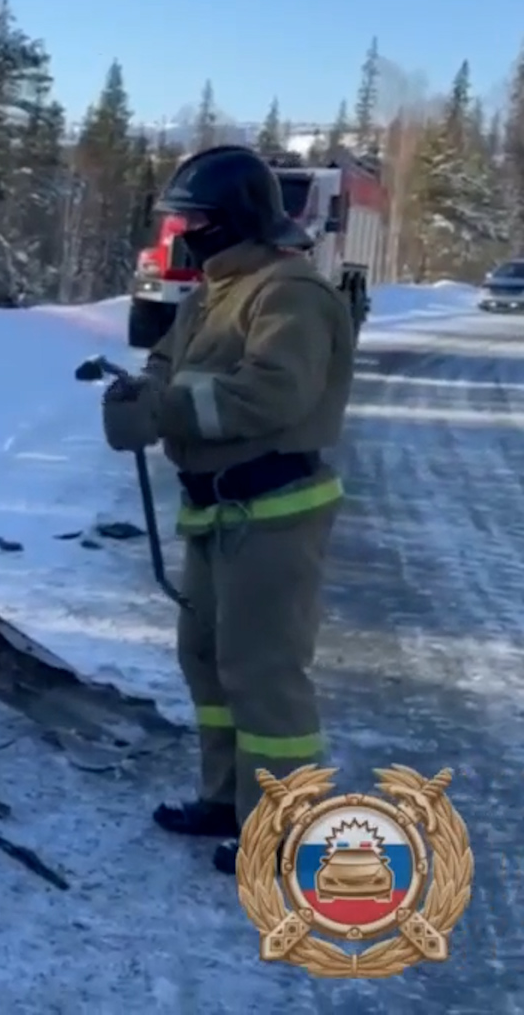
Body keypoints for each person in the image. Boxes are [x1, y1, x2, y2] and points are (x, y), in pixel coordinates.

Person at [99, 146, 355, 876]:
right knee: (207, 661)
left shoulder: (289, 293)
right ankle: (226, 797)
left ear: (237, 220)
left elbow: (275, 392)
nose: (184, 232)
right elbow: (166, 365)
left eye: (196, 219)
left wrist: (166, 409)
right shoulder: (215, 291)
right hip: (216, 513)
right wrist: (138, 393)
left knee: (264, 672)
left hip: (273, 510)